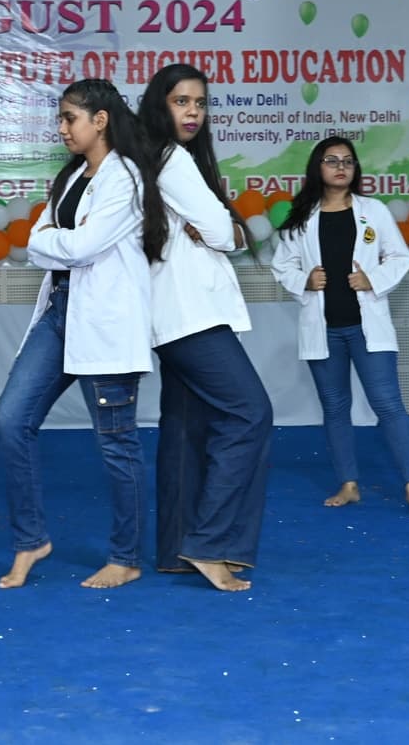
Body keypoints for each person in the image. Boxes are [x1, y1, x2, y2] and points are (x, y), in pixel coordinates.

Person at [0, 78, 167, 590]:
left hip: (105, 321)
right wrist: (55, 241)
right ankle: (31, 540)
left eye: (71, 118)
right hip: (60, 313)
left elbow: (81, 246)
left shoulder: (127, 179)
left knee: (117, 443)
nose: (63, 128)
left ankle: (127, 556)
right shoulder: (71, 178)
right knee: (11, 419)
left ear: (101, 119)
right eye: (61, 119)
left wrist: (55, 240)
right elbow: (36, 242)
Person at [134, 63, 274, 592]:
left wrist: (220, 230)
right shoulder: (170, 159)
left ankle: (178, 549)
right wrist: (227, 231)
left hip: (173, 316)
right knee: (251, 414)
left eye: (200, 102)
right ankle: (212, 543)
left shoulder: (158, 158)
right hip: (191, 317)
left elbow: (216, 229)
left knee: (186, 430)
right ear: (159, 104)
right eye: (181, 102)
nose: (193, 112)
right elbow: (222, 229)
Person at [271, 137, 409, 517]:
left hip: (367, 327)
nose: (341, 166)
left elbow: (399, 256)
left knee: (388, 405)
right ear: (319, 167)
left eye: (348, 161)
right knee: (335, 407)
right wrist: (305, 281)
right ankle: (348, 484)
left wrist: (372, 279)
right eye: (332, 160)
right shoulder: (301, 217)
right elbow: (283, 266)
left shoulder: (372, 211)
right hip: (324, 329)